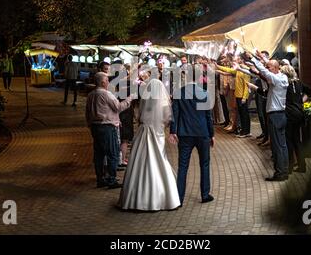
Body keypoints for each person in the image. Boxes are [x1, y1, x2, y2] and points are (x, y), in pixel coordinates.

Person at [118, 78, 181, 211]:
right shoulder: (163, 103)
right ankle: (160, 196)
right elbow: (167, 119)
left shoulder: (144, 101)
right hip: (157, 133)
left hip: (143, 132)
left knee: (139, 161)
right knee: (159, 160)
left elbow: (139, 117)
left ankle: (136, 197)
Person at [169, 76, 215, 205]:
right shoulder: (204, 93)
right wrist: (212, 134)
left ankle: (179, 197)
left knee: (183, 167)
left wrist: (173, 131)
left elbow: (175, 115)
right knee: (204, 164)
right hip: (203, 133)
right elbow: (208, 117)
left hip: (185, 133)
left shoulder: (179, 93)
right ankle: (205, 194)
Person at [86, 72, 134, 189]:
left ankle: (100, 178)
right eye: (107, 80)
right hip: (107, 127)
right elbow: (118, 107)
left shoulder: (91, 95)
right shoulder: (106, 94)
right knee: (112, 154)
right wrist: (130, 98)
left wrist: (90, 125)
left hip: (95, 127)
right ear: (102, 82)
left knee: (99, 154)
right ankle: (111, 179)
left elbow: (87, 112)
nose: (108, 82)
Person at [246, 51, 289, 181]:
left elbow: (263, 71)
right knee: (282, 145)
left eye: (270, 67)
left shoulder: (275, 79)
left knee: (277, 146)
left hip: (275, 115)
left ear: (276, 69)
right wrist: (260, 58)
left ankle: (280, 173)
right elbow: (266, 68)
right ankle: (284, 171)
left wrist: (253, 58)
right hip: (281, 115)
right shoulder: (283, 77)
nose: (267, 68)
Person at [281, 65, 311, 173]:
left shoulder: (284, 84)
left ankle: (289, 167)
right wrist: (301, 101)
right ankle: (302, 166)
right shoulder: (298, 83)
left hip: (289, 114)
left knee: (288, 141)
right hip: (299, 113)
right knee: (297, 140)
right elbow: (309, 91)